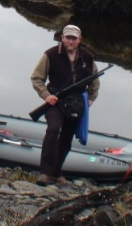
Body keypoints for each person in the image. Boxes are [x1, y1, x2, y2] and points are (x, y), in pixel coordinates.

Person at [30, 24, 99, 186]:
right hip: (56, 102)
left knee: (67, 137)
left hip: (77, 104)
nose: (70, 41)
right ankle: (45, 172)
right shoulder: (50, 55)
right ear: (62, 38)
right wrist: (47, 96)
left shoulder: (88, 57)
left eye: (74, 38)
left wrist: (91, 98)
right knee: (53, 129)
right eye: (68, 37)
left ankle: (56, 173)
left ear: (79, 40)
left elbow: (95, 80)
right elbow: (36, 78)